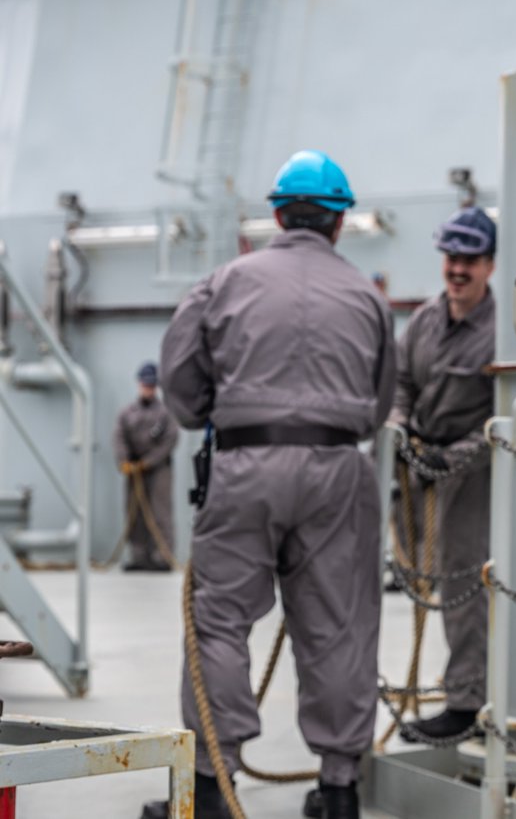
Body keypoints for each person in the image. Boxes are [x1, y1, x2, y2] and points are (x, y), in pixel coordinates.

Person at [154, 150, 396, 819]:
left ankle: (212, 786)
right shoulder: (368, 300)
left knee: (220, 623)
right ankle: (341, 787)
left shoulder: (223, 282)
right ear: (340, 222)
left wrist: (218, 414)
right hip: (339, 472)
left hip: (244, 466)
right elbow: (378, 406)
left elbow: (180, 386)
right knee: (341, 627)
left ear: (278, 214)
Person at [390, 205, 496, 742]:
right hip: (416, 471)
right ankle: (464, 686)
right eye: (451, 257)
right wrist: (401, 427)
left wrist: (452, 458)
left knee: (462, 584)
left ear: (490, 265)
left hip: (470, 476)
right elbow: (402, 383)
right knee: (422, 581)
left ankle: (466, 703)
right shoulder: (425, 320)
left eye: (469, 260)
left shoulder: (502, 331)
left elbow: (504, 418)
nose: (458, 269)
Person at [112, 361, 179, 571]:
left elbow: (170, 440)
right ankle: (139, 557)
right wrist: (124, 460)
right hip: (133, 470)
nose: (148, 389)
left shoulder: (165, 413)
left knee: (160, 513)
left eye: (152, 385)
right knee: (135, 513)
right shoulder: (127, 413)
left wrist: (148, 462)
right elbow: (119, 437)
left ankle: (162, 557)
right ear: (139, 384)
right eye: (145, 384)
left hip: (158, 469)